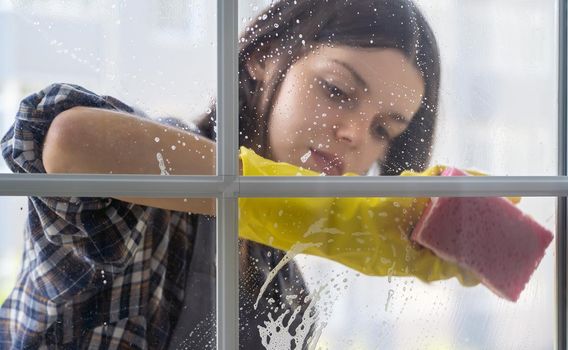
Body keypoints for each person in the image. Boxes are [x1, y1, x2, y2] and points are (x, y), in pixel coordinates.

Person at [0, 0, 441, 348]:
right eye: (337, 90)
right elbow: (68, 140)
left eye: (383, 129)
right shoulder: (153, 184)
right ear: (264, 57)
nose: (353, 134)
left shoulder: (290, 296)